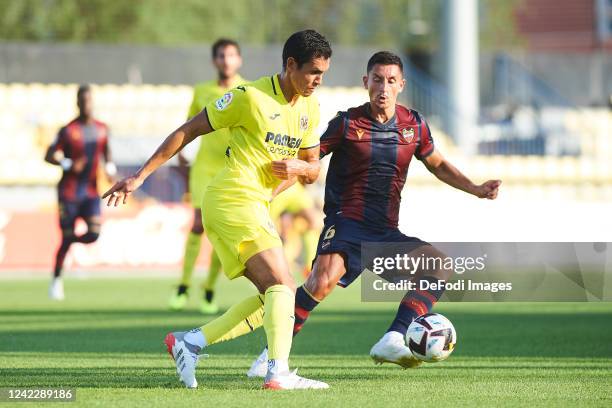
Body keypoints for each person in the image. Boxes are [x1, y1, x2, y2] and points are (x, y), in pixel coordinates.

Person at [247, 51, 501, 377]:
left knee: (439, 266)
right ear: (366, 82)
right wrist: (265, 197)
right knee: (320, 283)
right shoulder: (347, 123)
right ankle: (270, 357)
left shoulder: (415, 126)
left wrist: (476, 188)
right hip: (346, 223)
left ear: (401, 85)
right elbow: (307, 164)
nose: (384, 87)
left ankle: (394, 337)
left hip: (384, 233)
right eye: (377, 79)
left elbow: (437, 164)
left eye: (391, 80)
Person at [102, 30, 332, 390]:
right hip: (231, 197)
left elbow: (313, 168)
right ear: (290, 65)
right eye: (313, 72)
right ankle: (276, 372)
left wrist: (298, 171)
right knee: (283, 287)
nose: (318, 81)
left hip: (254, 202)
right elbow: (188, 130)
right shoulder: (249, 97)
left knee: (275, 294)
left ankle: (190, 343)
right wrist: (140, 176)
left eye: (323, 74)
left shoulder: (310, 108)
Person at [169, 38, 246, 314]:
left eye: (231, 55)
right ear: (215, 60)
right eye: (221, 56)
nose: (226, 60)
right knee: (199, 223)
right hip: (203, 165)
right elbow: (190, 124)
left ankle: (210, 288)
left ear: (239, 60)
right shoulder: (202, 90)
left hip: (229, 166)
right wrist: (180, 152)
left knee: (218, 230)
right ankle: (183, 285)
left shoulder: (246, 90)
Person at [44, 85, 116, 300]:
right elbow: (48, 155)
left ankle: (70, 242)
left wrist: (111, 169)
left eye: (89, 100)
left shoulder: (102, 128)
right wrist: (67, 164)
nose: (86, 105)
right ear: (77, 103)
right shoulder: (68, 130)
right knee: (65, 238)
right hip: (69, 192)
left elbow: (107, 153)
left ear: (93, 103)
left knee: (94, 233)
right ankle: (56, 279)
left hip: (91, 192)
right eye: (83, 101)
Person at [269, 181, 321, 278]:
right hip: (278, 186)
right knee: (266, 226)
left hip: (295, 185)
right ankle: (271, 265)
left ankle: (310, 267)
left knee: (314, 222)